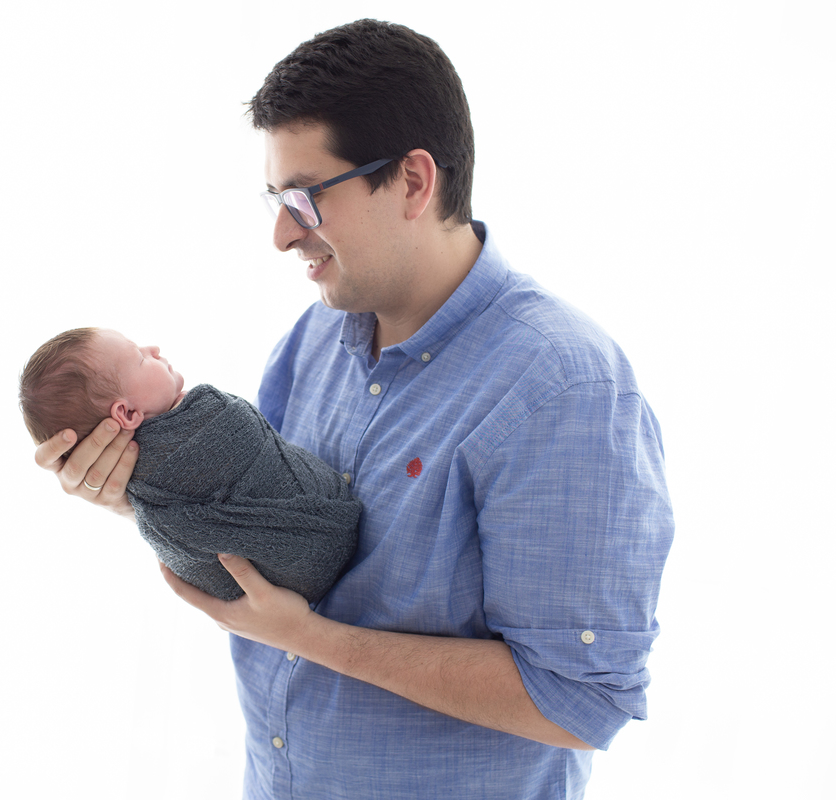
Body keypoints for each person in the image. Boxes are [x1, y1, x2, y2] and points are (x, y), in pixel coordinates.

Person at [34, 19, 673, 800]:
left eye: (303, 198)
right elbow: (262, 531)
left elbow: (581, 701)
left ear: (412, 181)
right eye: (275, 198)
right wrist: (142, 494)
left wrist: (311, 640)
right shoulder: (314, 338)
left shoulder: (564, 388)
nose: (278, 234)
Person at [20, 327, 359, 603]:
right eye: (139, 357)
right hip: (317, 537)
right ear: (126, 414)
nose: (153, 348)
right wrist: (125, 507)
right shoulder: (210, 415)